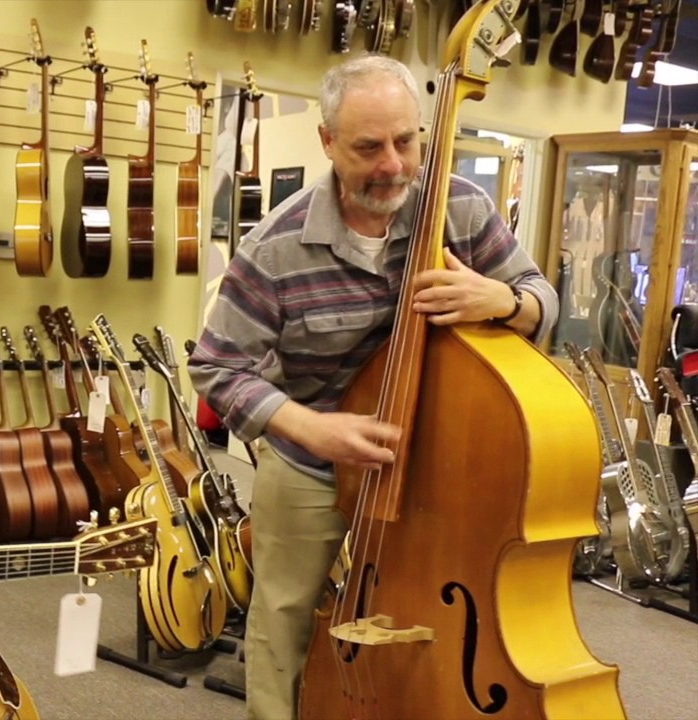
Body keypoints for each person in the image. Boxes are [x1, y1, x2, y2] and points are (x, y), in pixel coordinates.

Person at [188, 55, 557, 720]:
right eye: (368, 147)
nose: (394, 165)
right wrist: (308, 427)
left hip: (439, 466)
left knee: (437, 618)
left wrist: (499, 298)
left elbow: (541, 300)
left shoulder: (463, 209)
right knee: (283, 622)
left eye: (407, 141)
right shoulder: (275, 248)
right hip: (312, 462)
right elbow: (217, 367)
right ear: (328, 142)